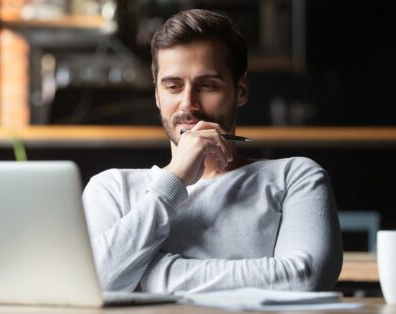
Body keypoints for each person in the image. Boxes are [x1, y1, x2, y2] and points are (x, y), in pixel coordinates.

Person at [82, 9, 343, 293]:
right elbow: (92, 284)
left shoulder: (295, 177)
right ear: (157, 95)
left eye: (207, 85)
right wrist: (175, 180)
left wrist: (149, 275)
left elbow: (305, 279)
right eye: (173, 86)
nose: (188, 104)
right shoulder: (111, 188)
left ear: (241, 90)